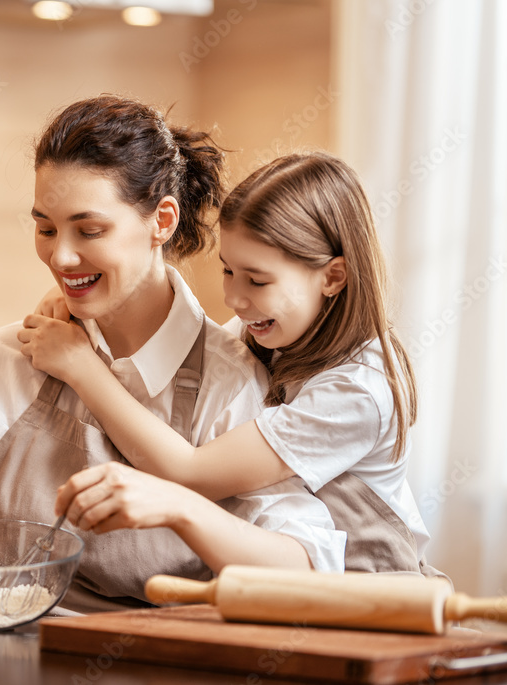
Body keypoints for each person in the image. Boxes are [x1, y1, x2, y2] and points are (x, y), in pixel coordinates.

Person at [0, 95, 347, 613]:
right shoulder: (1, 361)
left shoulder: (232, 382)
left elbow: (306, 568)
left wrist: (178, 505)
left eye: (89, 230)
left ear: (162, 220)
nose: (60, 256)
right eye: (45, 228)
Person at [25, 152, 433, 574]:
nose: (234, 300)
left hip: (373, 587)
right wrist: (82, 300)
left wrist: (80, 366)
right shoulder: (265, 328)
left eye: (257, 280)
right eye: (227, 271)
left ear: (332, 277)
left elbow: (190, 471)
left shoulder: (357, 391)